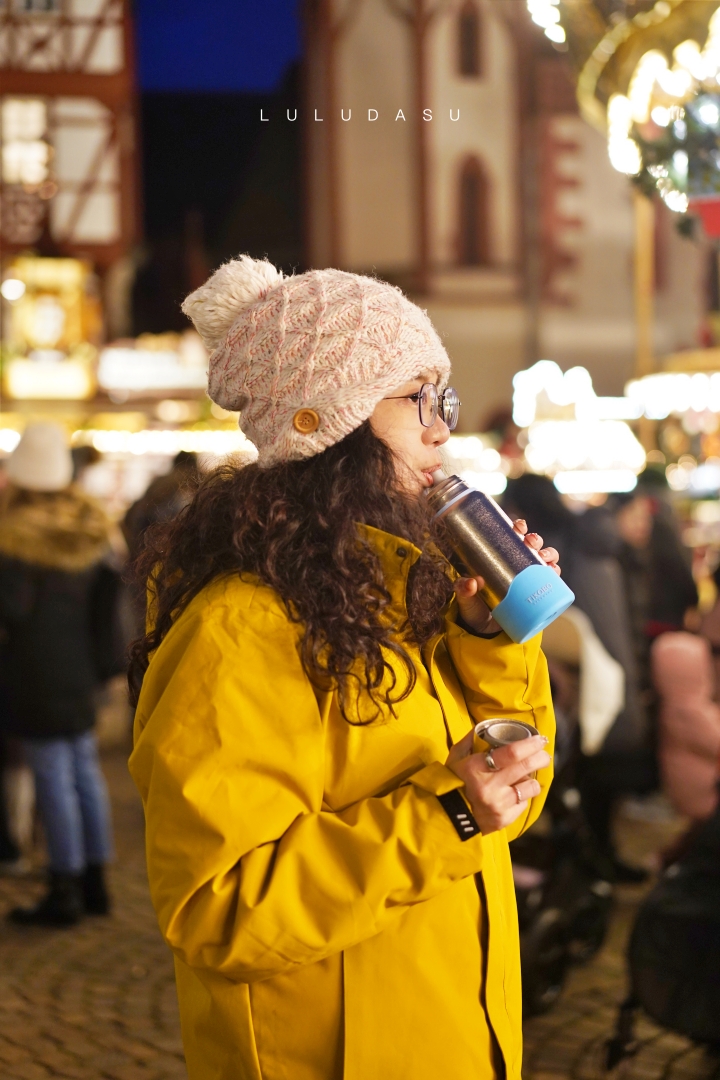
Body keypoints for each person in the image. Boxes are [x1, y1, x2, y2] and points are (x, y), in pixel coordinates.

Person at [128, 257, 559, 1080]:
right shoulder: (241, 626)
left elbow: (510, 803)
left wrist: (492, 642)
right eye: (418, 399)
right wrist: (446, 817)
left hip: (455, 1038)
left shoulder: (402, 595)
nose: (442, 429)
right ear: (326, 420)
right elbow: (219, 911)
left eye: (447, 399)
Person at [503, 474, 650, 882]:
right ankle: (598, 860)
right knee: (594, 779)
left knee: (584, 779)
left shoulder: (549, 550)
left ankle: (589, 865)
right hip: (606, 675)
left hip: (581, 679)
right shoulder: (587, 543)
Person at [0, 423, 115, 926]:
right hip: (80, 672)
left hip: (34, 676)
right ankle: (95, 882)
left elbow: (12, 614)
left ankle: (63, 886)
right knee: (84, 773)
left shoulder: (13, 540)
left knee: (52, 777)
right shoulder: (90, 530)